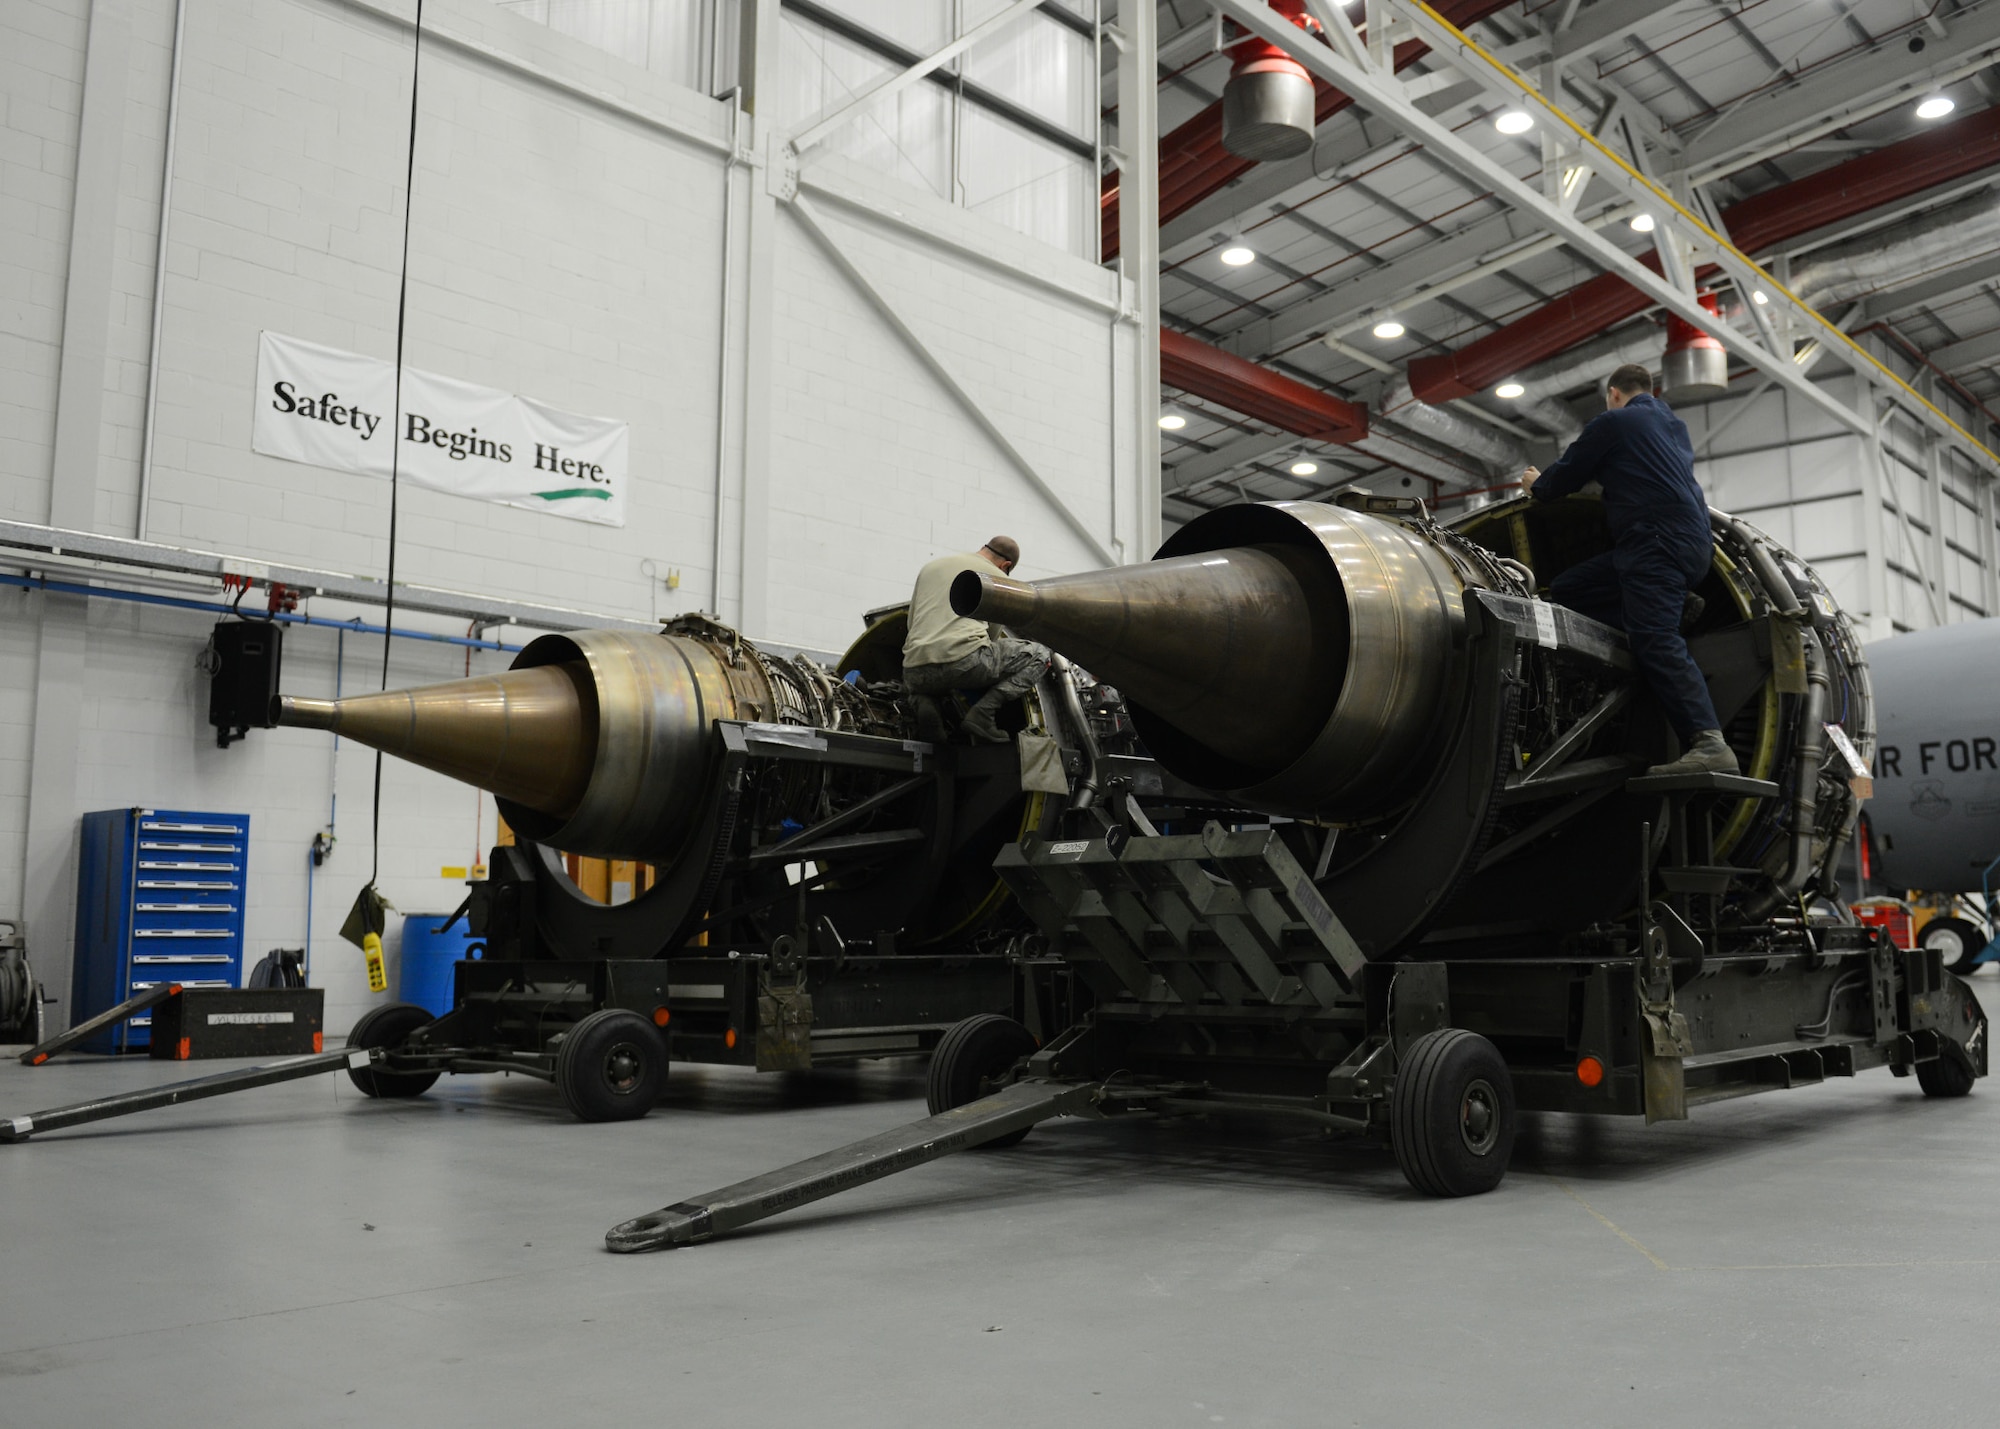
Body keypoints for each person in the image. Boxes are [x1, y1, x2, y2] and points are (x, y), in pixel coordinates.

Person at [1521, 363, 1738, 778]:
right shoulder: (1673, 427)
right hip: (1692, 547)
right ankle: (1671, 605)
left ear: (1614, 394)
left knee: (1654, 638)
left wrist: (1536, 482)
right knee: (1567, 591)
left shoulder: (1614, 422)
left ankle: (1710, 743)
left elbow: (1560, 481)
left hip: (1654, 545)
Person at [901, 536, 1050, 744]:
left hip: (913, 670)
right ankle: (983, 714)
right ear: (1005, 565)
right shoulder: (999, 577)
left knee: (930, 679)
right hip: (963, 661)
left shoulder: (931, 567)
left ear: (983, 548)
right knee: (1041, 654)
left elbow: (911, 623)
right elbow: (993, 636)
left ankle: (925, 703)